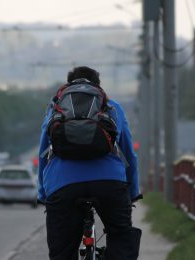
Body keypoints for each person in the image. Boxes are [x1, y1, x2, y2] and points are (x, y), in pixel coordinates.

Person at [38, 66, 142, 260]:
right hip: (109, 183)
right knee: (121, 236)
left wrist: (44, 193)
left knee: (61, 250)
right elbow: (129, 154)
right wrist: (132, 192)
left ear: (69, 86)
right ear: (98, 87)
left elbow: (43, 154)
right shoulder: (113, 107)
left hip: (62, 185)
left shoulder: (55, 109)